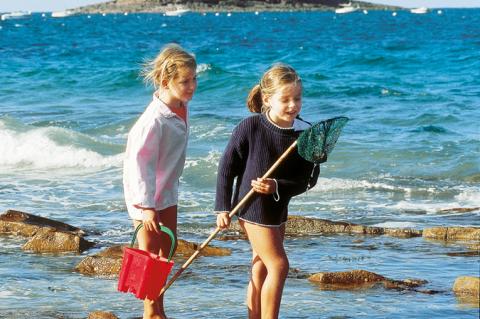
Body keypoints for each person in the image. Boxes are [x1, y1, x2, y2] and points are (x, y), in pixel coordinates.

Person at [215, 63, 324, 319]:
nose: (292, 105)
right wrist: (223, 207)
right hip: (251, 207)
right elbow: (226, 168)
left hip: (277, 208)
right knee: (279, 265)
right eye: (285, 99)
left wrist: (277, 186)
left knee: (262, 266)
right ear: (267, 99)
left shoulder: (303, 136)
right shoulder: (250, 127)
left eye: (297, 98)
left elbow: (307, 181)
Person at [123, 43, 197, 319]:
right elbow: (138, 166)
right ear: (166, 81)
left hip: (167, 191)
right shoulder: (153, 120)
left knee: (166, 252)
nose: (192, 86)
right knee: (150, 255)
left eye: (194, 79)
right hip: (146, 198)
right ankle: (151, 312)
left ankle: (159, 308)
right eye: (185, 81)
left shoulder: (179, 106)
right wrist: (145, 208)